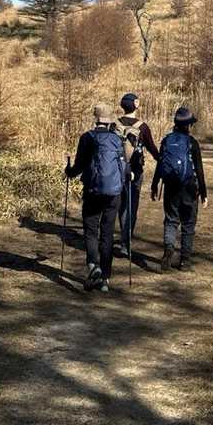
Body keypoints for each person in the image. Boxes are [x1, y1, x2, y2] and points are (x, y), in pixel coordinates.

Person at [65, 102, 127, 292]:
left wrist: (69, 172)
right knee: (107, 234)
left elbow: (79, 165)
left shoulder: (87, 138)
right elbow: (124, 166)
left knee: (91, 230)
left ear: (95, 118)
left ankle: (93, 266)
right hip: (114, 193)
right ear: (109, 120)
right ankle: (105, 279)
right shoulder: (117, 139)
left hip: (92, 191)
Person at [150, 106, 208, 272]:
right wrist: (203, 193)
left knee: (171, 220)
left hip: (171, 187)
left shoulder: (166, 141)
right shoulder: (192, 143)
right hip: (189, 188)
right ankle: (185, 261)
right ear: (189, 125)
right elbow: (199, 169)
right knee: (188, 224)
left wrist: (154, 184)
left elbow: (161, 164)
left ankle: (168, 249)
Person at [115, 93, 160, 257]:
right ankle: (126, 243)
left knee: (121, 205)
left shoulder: (114, 124)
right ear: (135, 104)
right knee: (131, 206)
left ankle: (123, 239)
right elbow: (152, 148)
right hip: (136, 170)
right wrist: (161, 160)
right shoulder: (142, 127)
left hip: (117, 170)